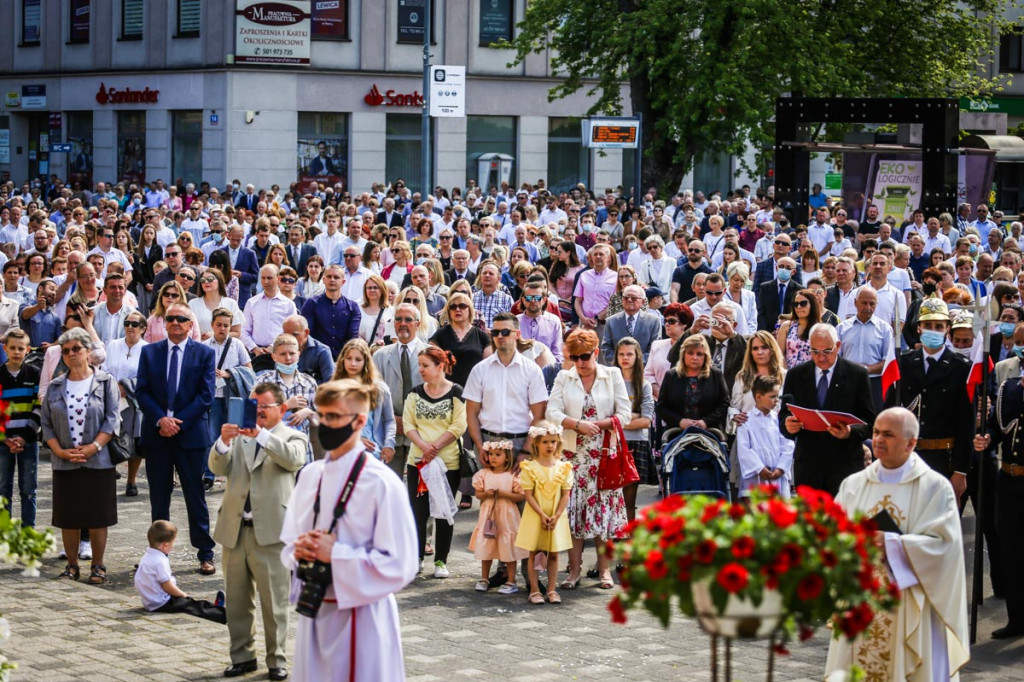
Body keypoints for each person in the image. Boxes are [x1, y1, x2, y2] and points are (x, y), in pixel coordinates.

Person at [280, 380, 419, 682]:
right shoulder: (310, 475)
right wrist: (298, 552)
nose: (324, 424)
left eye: (333, 417)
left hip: (362, 615)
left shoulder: (381, 482)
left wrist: (338, 555)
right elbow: (289, 542)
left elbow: (402, 564)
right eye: (321, 415)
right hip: (315, 610)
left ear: (359, 421)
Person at [826, 407, 969, 681]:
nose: (878, 439)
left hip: (910, 604)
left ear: (910, 443)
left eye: (888, 434)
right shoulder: (854, 484)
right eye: (876, 432)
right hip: (862, 596)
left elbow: (945, 549)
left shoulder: (934, 488)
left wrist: (892, 543)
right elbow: (833, 534)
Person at [209, 382, 307, 681]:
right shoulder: (238, 437)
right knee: (237, 601)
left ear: (281, 408)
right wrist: (223, 443)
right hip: (235, 530)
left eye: (263, 406)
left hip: (273, 533)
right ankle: (242, 657)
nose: (258, 412)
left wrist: (261, 435)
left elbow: (292, 459)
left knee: (274, 603)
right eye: (254, 406)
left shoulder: (294, 436)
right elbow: (216, 468)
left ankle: (276, 660)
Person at [136, 301, 218, 575]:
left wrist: (177, 424)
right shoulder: (149, 353)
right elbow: (142, 391)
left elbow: (205, 396)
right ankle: (159, 555)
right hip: (157, 435)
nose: (175, 323)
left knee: (195, 497)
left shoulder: (204, 354)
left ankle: (205, 553)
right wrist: (161, 419)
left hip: (190, 435)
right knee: (159, 498)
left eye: (181, 319)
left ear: (190, 324)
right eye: (170, 318)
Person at [546, 328, 631, 590]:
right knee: (574, 514)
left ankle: (604, 571)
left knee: (602, 515)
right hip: (574, 455)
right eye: (574, 357)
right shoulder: (564, 376)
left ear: (595, 353)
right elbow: (552, 411)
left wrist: (601, 423)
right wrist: (576, 424)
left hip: (604, 455)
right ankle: (573, 571)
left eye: (585, 356)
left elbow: (625, 414)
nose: (580, 363)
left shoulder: (612, 374)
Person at [41, 327, 120, 584]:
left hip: (98, 459)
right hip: (65, 460)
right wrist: (59, 451)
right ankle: (72, 565)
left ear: (88, 351)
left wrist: (93, 447)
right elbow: (47, 424)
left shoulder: (106, 381)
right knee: (68, 515)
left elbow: (112, 420)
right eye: (66, 351)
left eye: (76, 349)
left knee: (99, 515)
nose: (71, 354)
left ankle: (98, 565)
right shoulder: (55, 387)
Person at [780, 323, 876, 495]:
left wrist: (849, 433)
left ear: (838, 346)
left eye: (826, 351)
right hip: (809, 467)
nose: (821, 357)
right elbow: (785, 414)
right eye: (815, 351)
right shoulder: (795, 375)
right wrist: (788, 425)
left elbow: (869, 423)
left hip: (845, 466)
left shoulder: (857, 375)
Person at [403, 346, 466, 579]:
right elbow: (408, 425)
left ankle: (441, 560)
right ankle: (417, 557)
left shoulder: (457, 392)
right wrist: (424, 447)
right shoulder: (415, 393)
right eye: (419, 365)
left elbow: (459, 426)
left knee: (444, 512)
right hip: (418, 462)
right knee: (418, 512)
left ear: (441, 366)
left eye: (425, 365)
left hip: (447, 464)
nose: (420, 370)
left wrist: (436, 446)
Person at [515, 421, 573, 605]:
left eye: (553, 442)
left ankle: (552, 589)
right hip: (535, 515)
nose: (549, 446)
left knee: (553, 553)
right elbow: (529, 495)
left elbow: (565, 494)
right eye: (545, 442)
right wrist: (541, 514)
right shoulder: (530, 467)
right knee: (535, 553)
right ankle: (534, 590)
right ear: (536, 444)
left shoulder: (564, 467)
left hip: (556, 516)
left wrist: (555, 516)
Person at [372, 303, 427, 478]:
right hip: (390, 433)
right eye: (398, 319)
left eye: (408, 319)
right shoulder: (380, 355)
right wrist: (392, 420)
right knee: (389, 487)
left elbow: (438, 394)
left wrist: (412, 422)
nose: (403, 323)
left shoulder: (431, 354)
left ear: (417, 324)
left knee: (419, 492)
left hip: (421, 434)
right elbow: (373, 394)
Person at [135, 521, 226, 624]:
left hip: (150, 601)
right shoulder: (159, 561)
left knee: (193, 603)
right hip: (162, 602)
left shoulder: (147, 557)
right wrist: (182, 594)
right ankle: (224, 614)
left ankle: (215, 608)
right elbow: (167, 585)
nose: (173, 546)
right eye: (173, 542)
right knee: (193, 605)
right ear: (165, 545)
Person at [468, 440, 528, 595]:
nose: (493, 458)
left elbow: (520, 495)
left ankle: (511, 580)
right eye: (491, 454)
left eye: (497, 455)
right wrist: (485, 494)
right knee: (487, 544)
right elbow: (478, 494)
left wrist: (503, 494)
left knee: (508, 545)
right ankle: (484, 578)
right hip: (489, 515)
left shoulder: (512, 476)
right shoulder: (484, 474)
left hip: (507, 515)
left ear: (507, 457)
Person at [101, 311, 149, 496]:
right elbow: (104, 369)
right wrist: (114, 387)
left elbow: (147, 376)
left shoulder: (147, 349)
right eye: (127, 323)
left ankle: (131, 481)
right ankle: (108, 475)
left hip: (134, 401)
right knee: (109, 437)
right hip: (112, 398)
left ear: (143, 329)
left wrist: (127, 387)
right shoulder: (113, 345)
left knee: (134, 441)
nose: (130, 327)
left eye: (135, 324)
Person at [332, 339, 396, 464]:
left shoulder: (379, 388)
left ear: (366, 361)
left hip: (373, 454)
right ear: (342, 360)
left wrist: (389, 443)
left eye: (358, 359)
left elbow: (389, 420)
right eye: (349, 358)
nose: (353, 363)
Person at [0, 329, 41, 526]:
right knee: (2, 488)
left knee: (28, 489)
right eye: (13, 348)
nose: (16, 352)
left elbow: (39, 407)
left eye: (21, 348)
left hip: (29, 440)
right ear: (5, 349)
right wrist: (5, 438)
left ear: (28, 350)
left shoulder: (34, 374)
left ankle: (28, 530)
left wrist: (24, 436)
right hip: (3, 442)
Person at [613, 337, 655, 520]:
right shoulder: (610, 381)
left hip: (636, 442)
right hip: (614, 441)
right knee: (612, 495)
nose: (625, 358)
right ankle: (613, 537)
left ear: (637, 356)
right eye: (621, 354)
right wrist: (633, 415)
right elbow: (604, 415)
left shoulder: (643, 385)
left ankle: (630, 537)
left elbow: (646, 421)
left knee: (629, 499)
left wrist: (617, 419)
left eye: (629, 354)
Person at [656, 334, 730, 434]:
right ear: (683, 355)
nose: (695, 357)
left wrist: (706, 422)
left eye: (699, 354)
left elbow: (724, 403)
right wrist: (679, 421)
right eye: (690, 353)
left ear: (706, 356)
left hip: (710, 432)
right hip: (676, 433)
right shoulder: (671, 376)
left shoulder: (716, 375)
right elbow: (661, 407)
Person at [735, 375, 794, 497]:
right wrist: (759, 468)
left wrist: (780, 469)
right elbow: (744, 449)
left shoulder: (778, 419)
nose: (777, 400)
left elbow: (788, 445)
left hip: (778, 477)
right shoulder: (746, 420)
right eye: (772, 396)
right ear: (758, 397)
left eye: (777, 396)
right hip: (756, 478)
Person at [300, 264, 361, 359]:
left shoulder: (352, 307)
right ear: (323, 280)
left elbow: (352, 338)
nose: (332, 279)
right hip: (316, 358)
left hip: (342, 359)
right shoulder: (311, 304)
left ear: (343, 282)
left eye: (336, 277)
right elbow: (308, 335)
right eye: (329, 276)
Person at [600, 284, 662, 363]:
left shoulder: (654, 321)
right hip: (618, 370)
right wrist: (622, 362)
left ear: (642, 302)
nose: (629, 300)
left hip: (643, 370)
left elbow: (654, 349)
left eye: (634, 298)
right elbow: (606, 349)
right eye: (626, 298)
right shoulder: (611, 322)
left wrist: (635, 362)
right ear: (622, 300)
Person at [190, 268, 242, 340]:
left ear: (219, 281)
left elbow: (237, 333)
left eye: (210, 279)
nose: (206, 282)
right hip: (201, 348)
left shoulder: (231, 303)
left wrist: (215, 335)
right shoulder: (193, 304)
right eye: (202, 280)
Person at [776, 288, 821, 369]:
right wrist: (787, 373)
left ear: (812, 305)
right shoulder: (786, 326)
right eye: (795, 304)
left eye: (803, 303)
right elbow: (779, 354)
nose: (799, 307)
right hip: (789, 374)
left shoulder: (819, 329)